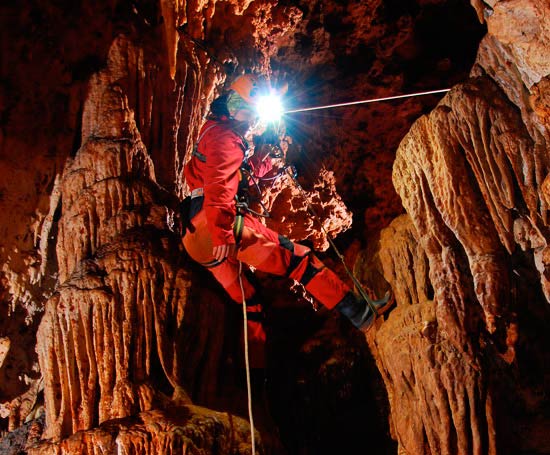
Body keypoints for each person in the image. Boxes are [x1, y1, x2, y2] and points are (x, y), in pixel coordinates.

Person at [182, 74, 392, 358]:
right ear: (235, 105)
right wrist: (222, 233)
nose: (251, 118)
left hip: (197, 241)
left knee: (250, 303)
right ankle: (361, 314)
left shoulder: (213, 131)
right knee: (300, 261)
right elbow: (220, 189)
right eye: (249, 110)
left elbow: (237, 176)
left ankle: (254, 382)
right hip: (217, 226)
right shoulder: (226, 139)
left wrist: (268, 160)